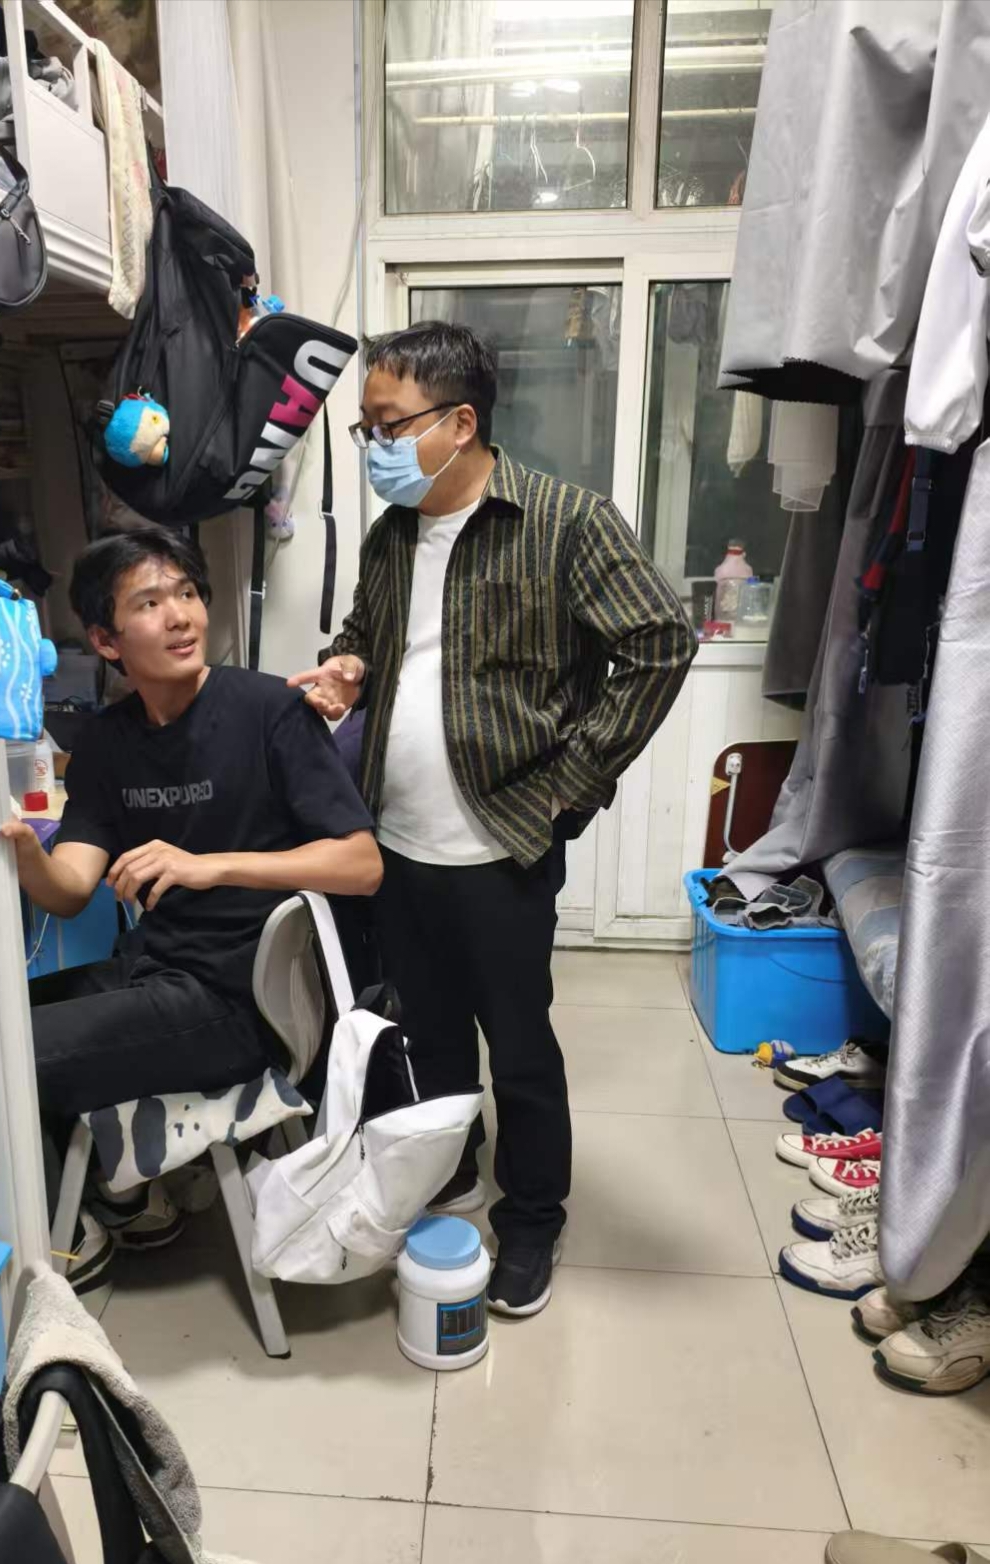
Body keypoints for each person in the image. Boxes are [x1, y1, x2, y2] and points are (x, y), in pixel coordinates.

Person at [290, 321, 696, 1318]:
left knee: (518, 1046)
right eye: (367, 427)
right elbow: (369, 631)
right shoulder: (395, 532)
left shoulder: (564, 521)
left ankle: (533, 1219)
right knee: (427, 1030)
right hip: (396, 839)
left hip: (502, 842)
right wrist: (347, 666)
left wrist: (572, 781)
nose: (375, 444)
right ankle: (451, 1165)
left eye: (388, 424)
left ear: (460, 422)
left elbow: (660, 641)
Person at [0, 523, 381, 1289]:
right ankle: (106, 1209)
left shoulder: (268, 709)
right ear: (106, 641)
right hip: (157, 973)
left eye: (187, 593)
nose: (180, 615)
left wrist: (208, 867)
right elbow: (72, 889)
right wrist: (22, 849)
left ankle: (52, 1252)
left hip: (241, 1001)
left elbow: (361, 865)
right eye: (150, 602)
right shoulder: (107, 743)